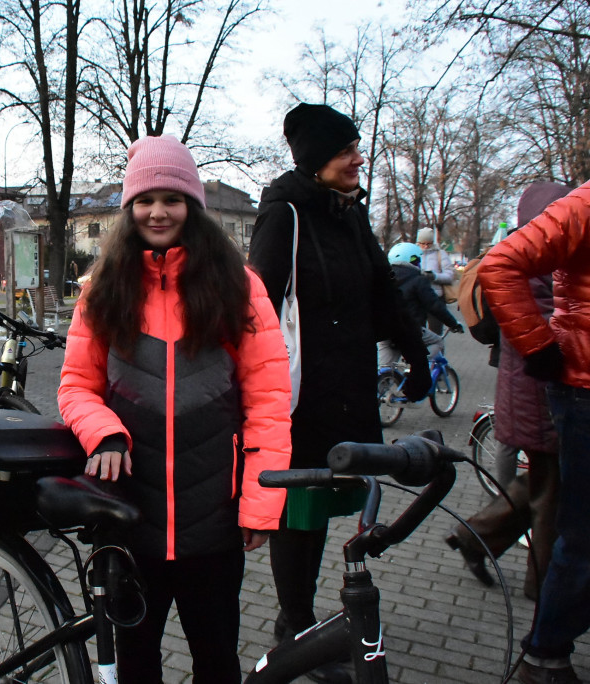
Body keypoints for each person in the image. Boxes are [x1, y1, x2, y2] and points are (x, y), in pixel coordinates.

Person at [58, 135, 292, 684]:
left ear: (193, 205)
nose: (158, 211)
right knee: (137, 663)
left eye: (172, 198)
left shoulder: (239, 286)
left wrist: (262, 503)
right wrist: (105, 434)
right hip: (130, 518)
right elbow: (75, 386)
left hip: (213, 519)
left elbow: (269, 400)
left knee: (216, 658)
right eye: (145, 199)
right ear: (129, 207)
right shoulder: (104, 290)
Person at [248, 104, 430, 684]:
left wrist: (415, 350)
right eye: (347, 148)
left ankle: (301, 623)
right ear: (317, 157)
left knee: (324, 503)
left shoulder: (349, 213)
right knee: (299, 506)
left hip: (346, 389)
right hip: (300, 392)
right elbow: (256, 307)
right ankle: (293, 629)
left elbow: (381, 289)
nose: (359, 157)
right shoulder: (286, 213)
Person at [480, 181, 590, 684]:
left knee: (547, 496)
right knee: (562, 512)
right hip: (567, 391)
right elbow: (499, 269)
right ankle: (545, 650)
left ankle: (477, 537)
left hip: (534, 391)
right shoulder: (579, 209)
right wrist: (541, 349)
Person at [445, 182, 569, 602]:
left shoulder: (534, 255)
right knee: (553, 499)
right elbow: (556, 321)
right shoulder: (539, 262)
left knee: (543, 482)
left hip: (534, 389)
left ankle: (473, 535)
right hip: (545, 392)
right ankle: (547, 598)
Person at [377, 242, 464, 367]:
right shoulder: (419, 280)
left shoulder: (383, 278)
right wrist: (453, 324)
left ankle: (383, 382)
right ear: (413, 261)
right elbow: (434, 306)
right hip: (410, 329)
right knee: (438, 342)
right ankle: (416, 364)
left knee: (385, 370)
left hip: (384, 330)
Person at [416, 226, 455, 334]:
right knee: (418, 333)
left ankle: (438, 351)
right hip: (417, 298)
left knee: (436, 334)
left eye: (428, 243)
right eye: (422, 243)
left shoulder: (440, 254)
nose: (425, 246)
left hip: (436, 298)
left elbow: (450, 275)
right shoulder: (413, 253)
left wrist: (434, 276)